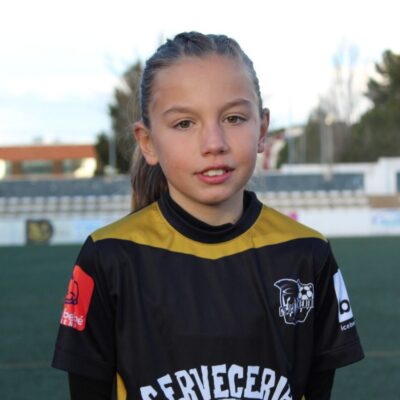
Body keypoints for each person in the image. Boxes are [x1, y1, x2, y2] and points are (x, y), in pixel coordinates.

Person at [52, 32, 364, 400]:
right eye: (184, 123)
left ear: (262, 130)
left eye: (233, 118)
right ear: (148, 142)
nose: (214, 143)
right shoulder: (108, 257)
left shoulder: (308, 254)